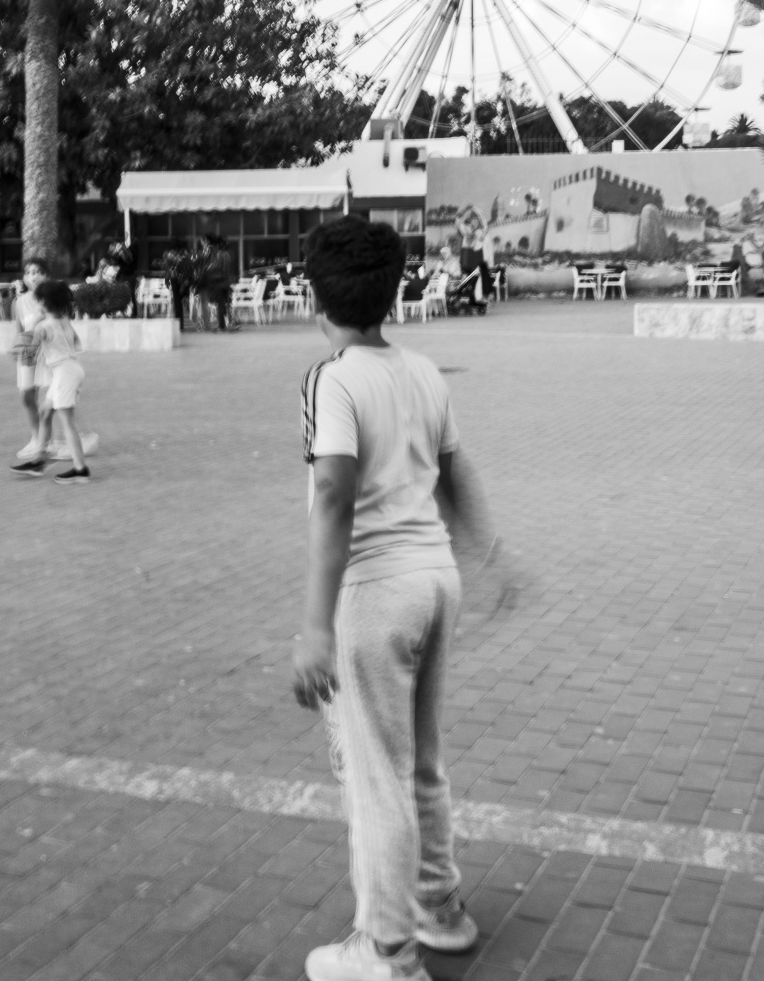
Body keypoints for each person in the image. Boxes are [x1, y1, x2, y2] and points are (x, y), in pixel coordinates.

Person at [290, 216, 481, 981]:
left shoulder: (332, 378)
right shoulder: (423, 370)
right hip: (435, 582)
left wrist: (314, 627)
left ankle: (388, 950)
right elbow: (455, 470)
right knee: (421, 761)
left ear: (316, 298)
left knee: (376, 779)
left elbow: (333, 494)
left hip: (374, 594)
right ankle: (440, 908)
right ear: (394, 294)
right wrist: (490, 553)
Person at [27, 279, 95, 483]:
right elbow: (75, 343)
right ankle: (39, 459)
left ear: (44, 302)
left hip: (64, 373)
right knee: (45, 412)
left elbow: (29, 353)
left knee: (66, 421)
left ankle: (80, 469)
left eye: (39, 300)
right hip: (70, 369)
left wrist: (34, 324)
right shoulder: (65, 320)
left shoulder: (43, 327)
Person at [9, 257, 55, 472]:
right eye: (28, 273)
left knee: (49, 402)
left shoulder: (52, 299)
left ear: (46, 276)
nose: (33, 276)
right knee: (26, 396)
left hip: (47, 353)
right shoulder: (19, 302)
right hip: (27, 353)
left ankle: (45, 445)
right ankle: (36, 438)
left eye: (38, 272)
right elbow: (19, 330)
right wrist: (16, 348)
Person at [202, 234, 236, 332]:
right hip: (226, 282)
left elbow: (215, 267)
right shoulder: (229, 254)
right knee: (226, 303)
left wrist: (207, 268)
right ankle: (229, 323)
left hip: (219, 282)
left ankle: (222, 325)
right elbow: (230, 269)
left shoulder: (219, 255)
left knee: (220, 304)